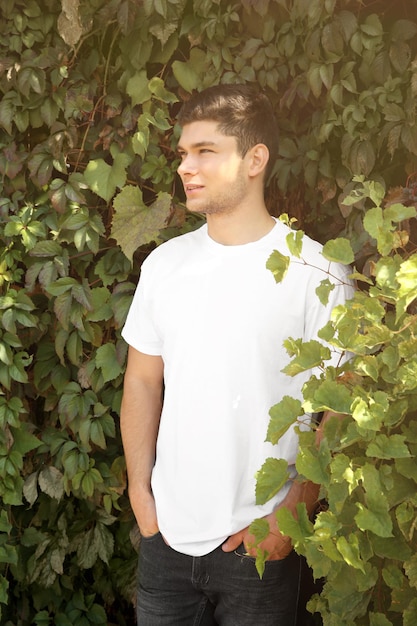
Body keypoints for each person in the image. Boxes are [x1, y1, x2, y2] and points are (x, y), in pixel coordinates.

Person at [120, 84, 354, 625]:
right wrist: (139, 490)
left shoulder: (316, 273)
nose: (185, 166)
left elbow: (342, 407)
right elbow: (141, 382)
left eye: (205, 151)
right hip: (166, 541)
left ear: (255, 159)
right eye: (183, 153)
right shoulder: (164, 265)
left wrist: (294, 511)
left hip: (260, 548)